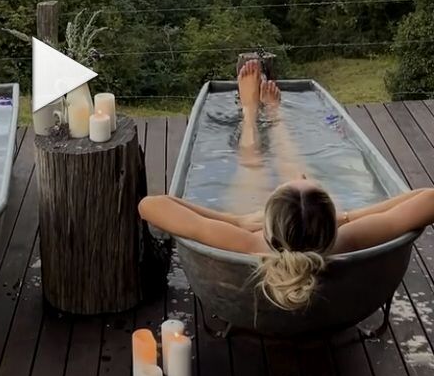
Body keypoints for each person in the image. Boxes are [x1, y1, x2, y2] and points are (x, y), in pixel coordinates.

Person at [139, 59, 434, 312]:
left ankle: (251, 114)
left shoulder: (247, 242)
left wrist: (238, 221)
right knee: (294, 170)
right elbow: (428, 197)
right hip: (314, 234)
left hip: (258, 221)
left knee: (251, 165)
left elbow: (150, 205)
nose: (304, 179)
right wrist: (348, 218)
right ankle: (275, 116)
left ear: (267, 224)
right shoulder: (347, 239)